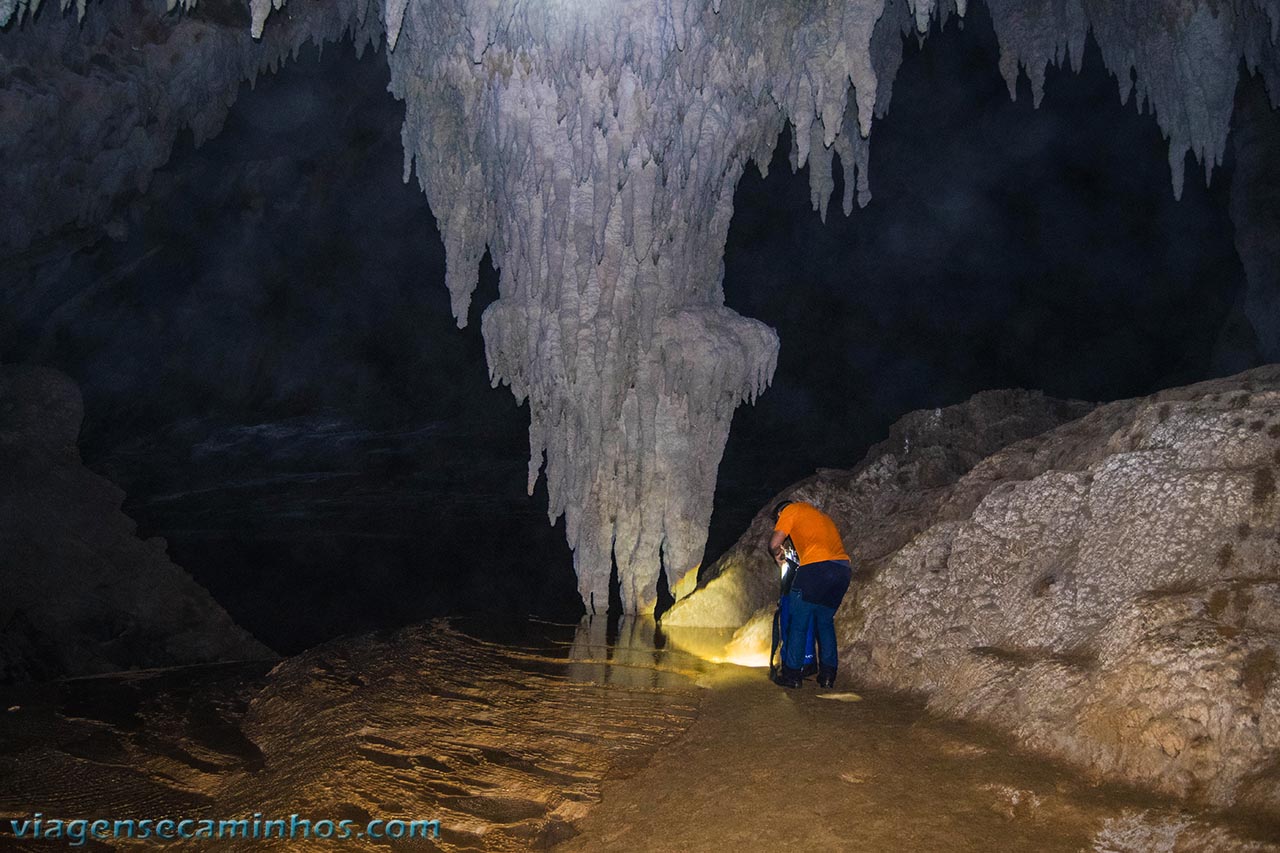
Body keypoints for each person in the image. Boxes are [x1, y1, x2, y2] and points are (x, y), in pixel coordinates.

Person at [766, 499, 853, 689]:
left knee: (798, 622)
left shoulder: (790, 510)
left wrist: (778, 556)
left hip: (815, 569)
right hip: (842, 570)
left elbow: (774, 542)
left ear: (780, 513)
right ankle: (828, 676)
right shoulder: (821, 516)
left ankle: (792, 676)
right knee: (825, 622)